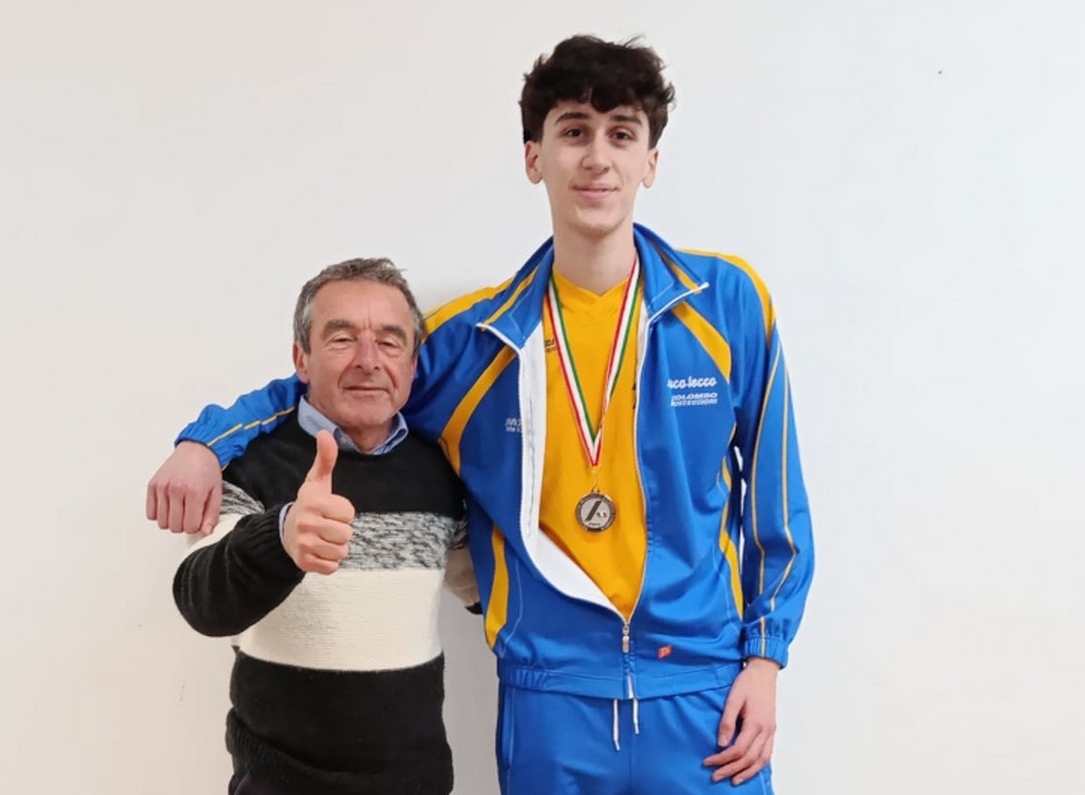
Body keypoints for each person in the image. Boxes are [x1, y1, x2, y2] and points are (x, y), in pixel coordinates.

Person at [151, 36, 814, 794]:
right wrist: (206, 441)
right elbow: (344, 382)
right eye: (574, 131)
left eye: (622, 133)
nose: (598, 158)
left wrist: (765, 659)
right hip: (549, 700)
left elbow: (777, 506)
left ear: (651, 161)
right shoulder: (471, 342)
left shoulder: (727, 307)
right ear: (535, 157)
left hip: (704, 694)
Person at [172, 258, 477, 795]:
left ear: (411, 364)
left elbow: (489, 589)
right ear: (302, 360)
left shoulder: (440, 474)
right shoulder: (249, 465)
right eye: (341, 339)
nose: (368, 360)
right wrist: (281, 537)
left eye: (389, 342)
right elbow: (203, 601)